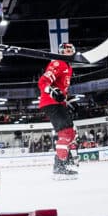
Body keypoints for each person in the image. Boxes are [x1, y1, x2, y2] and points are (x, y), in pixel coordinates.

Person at [37, 42, 79, 179]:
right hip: (50, 102)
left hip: (59, 103)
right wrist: (53, 91)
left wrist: (70, 101)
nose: (68, 50)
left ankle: (64, 162)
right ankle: (59, 167)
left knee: (71, 132)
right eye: (65, 49)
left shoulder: (68, 67)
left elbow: (62, 91)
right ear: (61, 52)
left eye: (70, 49)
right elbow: (43, 82)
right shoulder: (58, 63)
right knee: (65, 132)